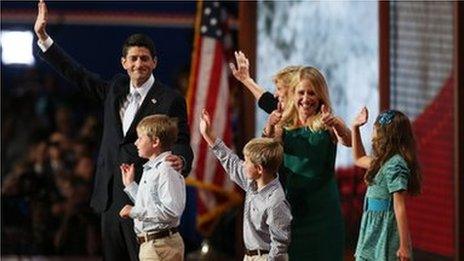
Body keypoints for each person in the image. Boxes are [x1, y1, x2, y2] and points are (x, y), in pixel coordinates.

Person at [33, 1, 193, 260]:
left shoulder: (169, 99)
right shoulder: (116, 89)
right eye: (133, 58)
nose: (138, 64)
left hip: (143, 196)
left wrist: (181, 159)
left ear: (154, 62)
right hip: (110, 197)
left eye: (144, 58)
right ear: (124, 62)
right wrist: (44, 38)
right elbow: (78, 75)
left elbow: (181, 139)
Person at [264, 66, 351, 260]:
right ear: (293, 95)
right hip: (293, 212)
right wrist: (270, 125)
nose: (306, 99)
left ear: (320, 96)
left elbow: (349, 140)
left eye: (311, 93)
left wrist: (336, 123)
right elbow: (270, 152)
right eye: (301, 93)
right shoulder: (283, 125)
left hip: (325, 214)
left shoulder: (327, 123)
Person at [199, 109, 292, 261]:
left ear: (259, 169)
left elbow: (280, 246)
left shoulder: (275, 202)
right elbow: (230, 161)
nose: (244, 163)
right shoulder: (252, 182)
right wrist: (208, 135)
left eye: (247, 161)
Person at [351, 108, 421, 261]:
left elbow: (399, 207)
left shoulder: (395, 165)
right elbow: (359, 157)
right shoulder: (381, 162)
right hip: (371, 226)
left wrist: (404, 245)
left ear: (386, 135)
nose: (373, 134)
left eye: (376, 129)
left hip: (386, 230)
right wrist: (355, 128)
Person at [119, 115, 186, 261]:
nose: (136, 143)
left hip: (161, 247)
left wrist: (134, 211)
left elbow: (171, 211)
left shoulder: (166, 170)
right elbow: (151, 203)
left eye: (140, 138)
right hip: (153, 245)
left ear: (155, 141)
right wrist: (131, 186)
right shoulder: (152, 168)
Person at [229, 51, 301, 114]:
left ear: (293, 90)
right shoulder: (283, 109)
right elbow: (268, 101)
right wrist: (246, 80)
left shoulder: (309, 122)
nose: (275, 95)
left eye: (279, 89)